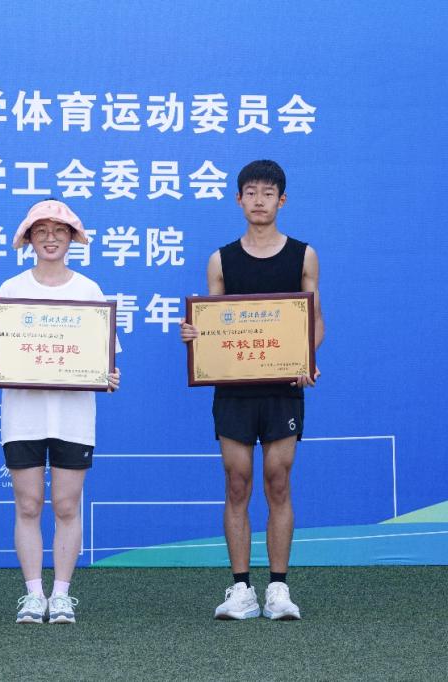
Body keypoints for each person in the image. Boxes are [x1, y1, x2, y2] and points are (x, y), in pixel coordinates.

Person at [180, 160, 324, 621]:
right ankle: (241, 588)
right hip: (234, 389)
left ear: (282, 200)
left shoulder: (303, 255)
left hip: (283, 386)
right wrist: (195, 335)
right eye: (251, 192)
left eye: (268, 193)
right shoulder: (221, 260)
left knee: (278, 480)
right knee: (237, 481)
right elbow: (213, 323)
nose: (259, 200)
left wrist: (306, 361)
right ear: (238, 199)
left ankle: (278, 588)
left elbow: (315, 320)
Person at [0, 199, 121, 624]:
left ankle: (61, 594)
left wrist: (107, 376)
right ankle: (32, 594)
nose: (50, 239)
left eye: (59, 231)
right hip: (22, 416)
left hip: (73, 418)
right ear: (29, 239)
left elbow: (105, 361)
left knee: (67, 505)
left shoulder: (89, 291)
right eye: (41, 231)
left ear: (72, 238)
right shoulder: (11, 289)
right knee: (27, 505)